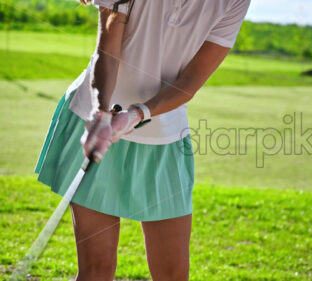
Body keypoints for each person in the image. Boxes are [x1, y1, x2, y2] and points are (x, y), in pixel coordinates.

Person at [34, 0, 250, 280]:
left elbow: (191, 81)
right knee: (96, 270)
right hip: (94, 118)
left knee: (173, 275)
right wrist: (101, 113)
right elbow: (107, 51)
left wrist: (137, 114)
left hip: (164, 135)